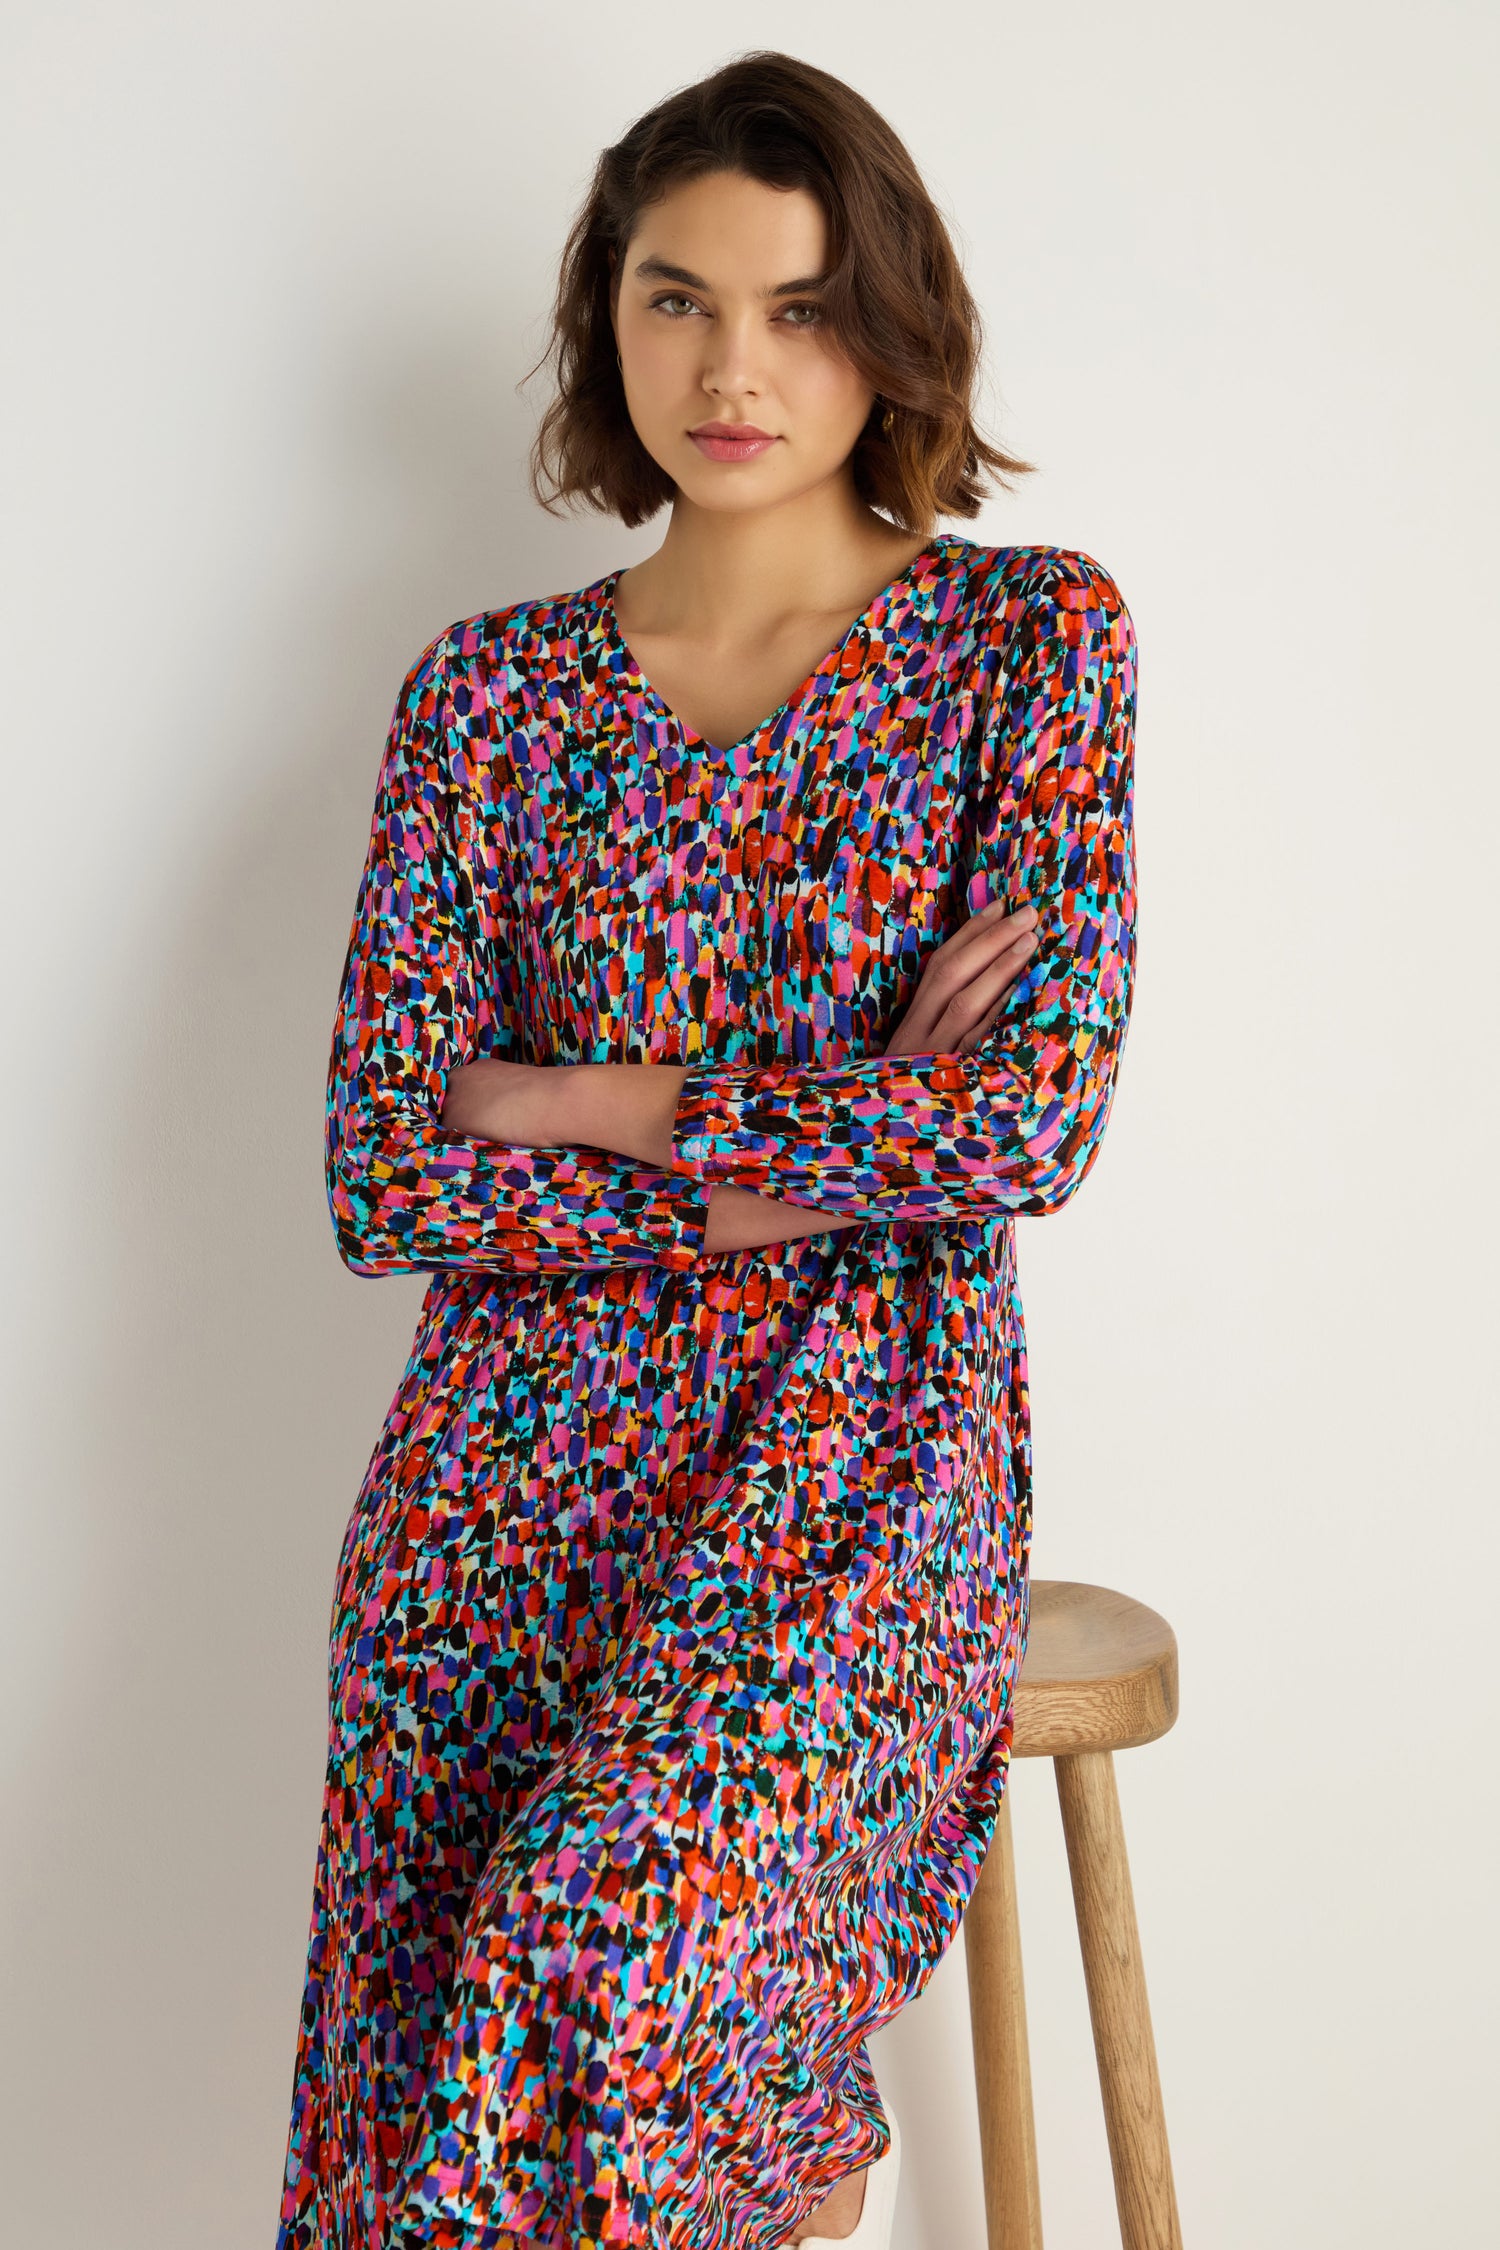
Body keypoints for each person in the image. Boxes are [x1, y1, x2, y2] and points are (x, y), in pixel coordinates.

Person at [275, 47, 1138, 2250]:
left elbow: (1030, 1119)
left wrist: (580, 1093)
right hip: (509, 1447)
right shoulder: (486, 699)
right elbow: (391, 1172)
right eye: (678, 300)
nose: (733, 364)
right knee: (418, 2041)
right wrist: (834, 1133)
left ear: (893, 324)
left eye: (799, 303)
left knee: (614, 1916)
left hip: (858, 1431)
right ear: (610, 319)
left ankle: (771, 2143)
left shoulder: (1024, 643)